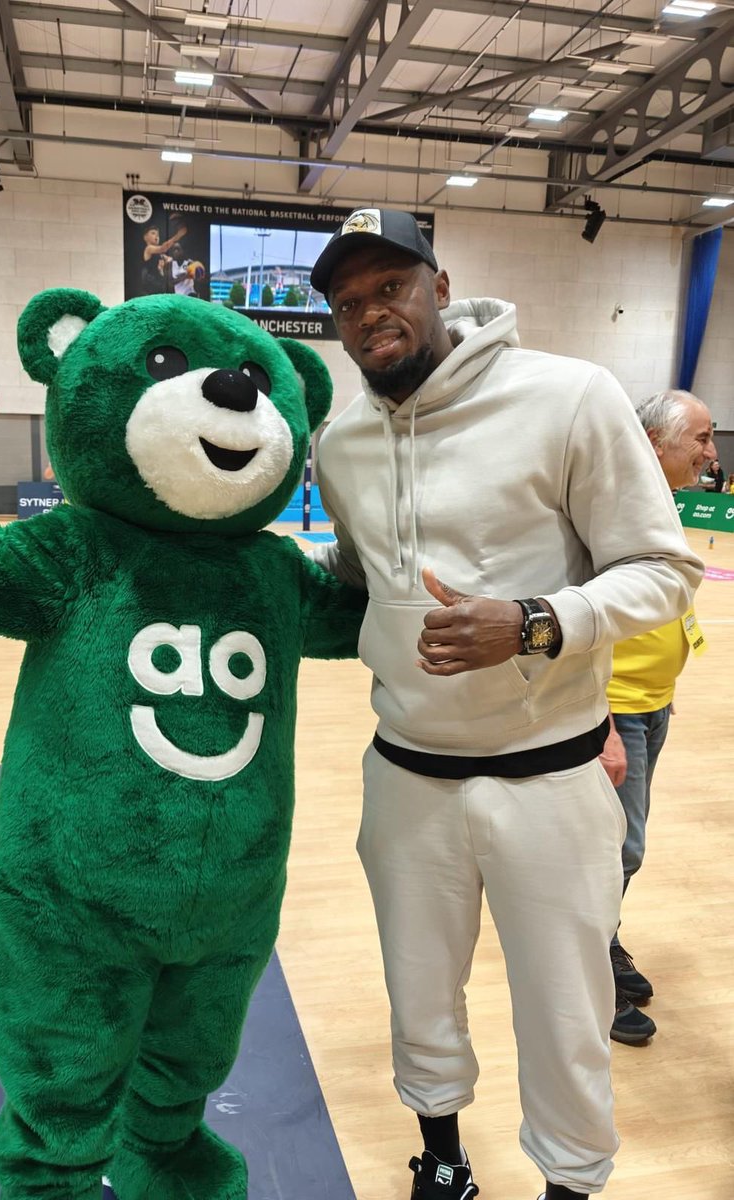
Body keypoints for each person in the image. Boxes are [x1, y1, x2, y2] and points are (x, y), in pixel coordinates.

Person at [308, 208, 703, 1200]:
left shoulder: (569, 397)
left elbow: (663, 572)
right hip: (405, 775)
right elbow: (360, 579)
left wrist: (530, 623)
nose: (370, 315)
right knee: (418, 993)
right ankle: (441, 1154)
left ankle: (569, 1183)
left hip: (549, 776)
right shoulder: (343, 438)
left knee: (565, 1012)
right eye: (349, 303)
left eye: (390, 287)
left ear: (440, 287)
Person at [599, 389, 715, 1045]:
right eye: (700, 437)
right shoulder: (610, 507)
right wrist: (606, 724)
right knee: (618, 849)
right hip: (619, 712)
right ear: (652, 442)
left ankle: (604, 943)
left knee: (620, 849)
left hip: (653, 704)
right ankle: (591, 975)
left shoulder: (657, 505)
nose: (710, 452)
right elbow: (588, 619)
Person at [141, 223, 187, 294]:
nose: (156, 236)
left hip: (159, 286)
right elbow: (163, 248)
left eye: (158, 234)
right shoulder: (148, 249)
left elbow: (171, 259)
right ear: (145, 237)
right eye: (153, 233)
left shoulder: (160, 255)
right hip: (150, 287)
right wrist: (177, 236)